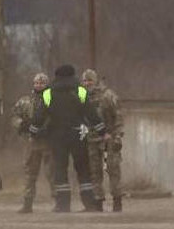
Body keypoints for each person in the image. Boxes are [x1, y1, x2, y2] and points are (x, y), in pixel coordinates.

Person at [30, 64, 106, 213]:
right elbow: (90, 112)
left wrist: (33, 132)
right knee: (83, 169)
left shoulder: (48, 93)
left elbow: (40, 115)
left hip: (57, 136)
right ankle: (89, 203)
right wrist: (102, 130)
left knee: (60, 169)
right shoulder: (80, 91)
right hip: (79, 133)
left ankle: (63, 204)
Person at [81, 69, 125, 212]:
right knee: (94, 172)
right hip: (92, 139)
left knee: (113, 169)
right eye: (85, 81)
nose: (87, 83)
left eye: (90, 80)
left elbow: (118, 116)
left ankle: (117, 201)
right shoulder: (83, 97)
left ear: (95, 81)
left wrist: (117, 136)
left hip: (109, 138)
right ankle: (98, 201)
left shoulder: (108, 96)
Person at [11, 72, 51, 214]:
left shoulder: (51, 100)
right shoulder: (25, 101)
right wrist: (22, 124)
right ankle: (27, 204)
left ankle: (59, 202)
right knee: (30, 174)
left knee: (51, 172)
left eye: (42, 83)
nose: (39, 85)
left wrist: (48, 129)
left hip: (48, 142)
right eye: (36, 83)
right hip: (31, 142)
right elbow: (15, 115)